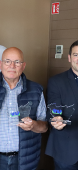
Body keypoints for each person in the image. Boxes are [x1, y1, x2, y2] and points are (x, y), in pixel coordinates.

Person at [0, 47, 48, 170]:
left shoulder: (36, 90)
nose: (12, 66)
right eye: (7, 61)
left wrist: (33, 125)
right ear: (0, 65)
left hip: (25, 160)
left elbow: (44, 127)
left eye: (17, 62)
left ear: (23, 66)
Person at [45, 40, 78, 170]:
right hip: (67, 150)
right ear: (69, 58)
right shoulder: (56, 81)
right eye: (76, 54)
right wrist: (56, 118)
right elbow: (54, 108)